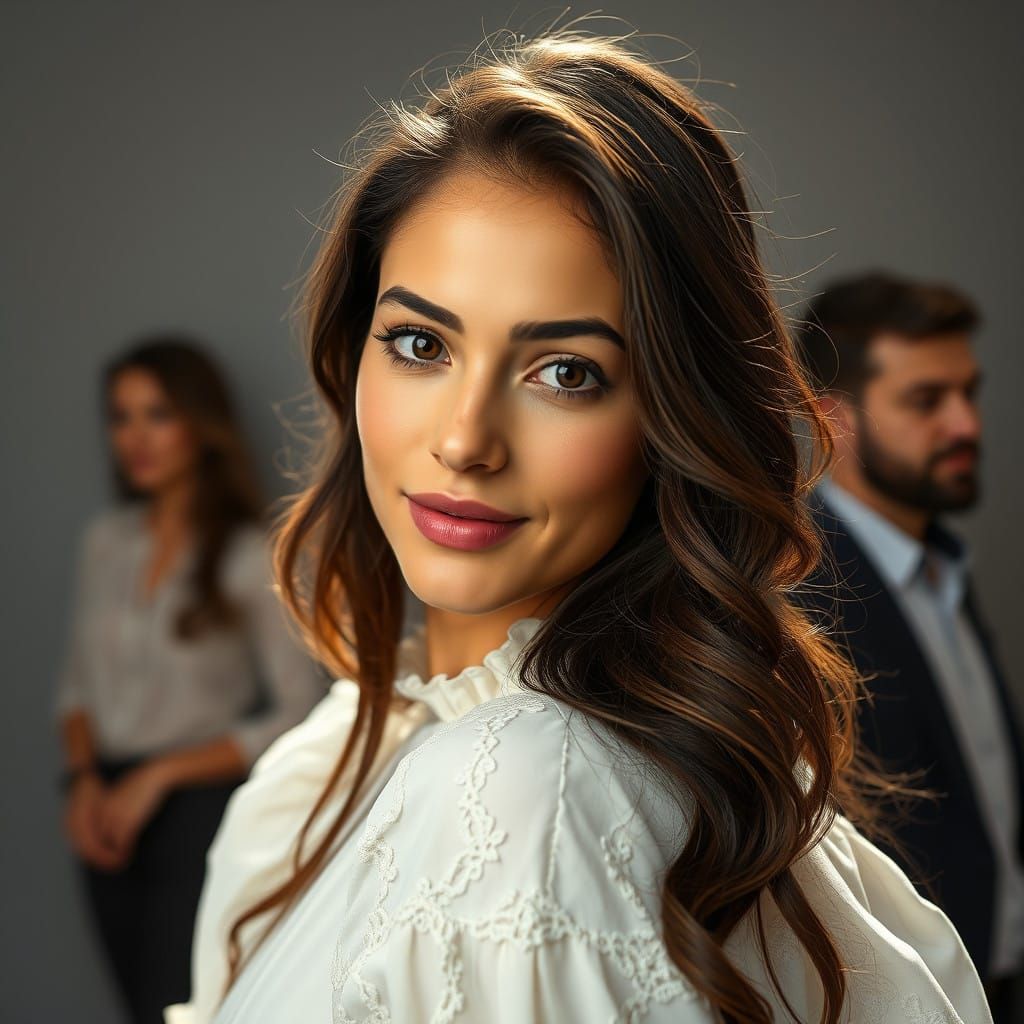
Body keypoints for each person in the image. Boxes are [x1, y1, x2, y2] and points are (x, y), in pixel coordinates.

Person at [164, 28, 992, 1024]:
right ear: (354, 353)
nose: (465, 440)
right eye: (420, 343)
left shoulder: (530, 787)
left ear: (673, 418)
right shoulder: (320, 769)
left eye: (566, 372)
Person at [56, 336, 325, 1023]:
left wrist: (159, 776)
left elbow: (299, 711)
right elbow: (77, 687)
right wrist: (83, 781)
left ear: (201, 425)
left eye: (158, 414)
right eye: (121, 417)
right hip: (103, 804)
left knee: (180, 1005)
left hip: (201, 808)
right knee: (132, 1002)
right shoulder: (106, 543)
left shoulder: (249, 554)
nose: (136, 438)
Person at [792, 271, 1024, 1021]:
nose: (966, 425)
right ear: (834, 420)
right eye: (927, 400)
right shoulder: (796, 597)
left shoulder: (941, 569)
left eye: (969, 393)